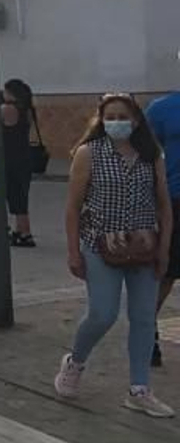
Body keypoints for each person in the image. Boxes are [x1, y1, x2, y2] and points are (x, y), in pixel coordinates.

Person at [54, 95, 173, 417]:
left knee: (144, 317)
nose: (117, 122)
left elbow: (163, 203)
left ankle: (139, 388)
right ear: (101, 120)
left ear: (135, 120)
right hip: (100, 244)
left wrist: (164, 249)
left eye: (123, 116)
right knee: (102, 313)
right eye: (110, 116)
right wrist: (73, 250)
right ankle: (75, 361)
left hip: (145, 245)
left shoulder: (151, 155)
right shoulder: (88, 154)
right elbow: (73, 206)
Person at [145, 86, 180, 366]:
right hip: (175, 199)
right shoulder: (161, 108)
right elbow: (146, 150)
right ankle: (147, 329)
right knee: (166, 272)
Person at [1, 79, 37, 248]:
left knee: (11, 194)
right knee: (21, 196)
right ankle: (23, 230)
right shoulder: (27, 110)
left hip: (9, 156)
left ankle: (23, 233)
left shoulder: (7, 109)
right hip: (25, 155)